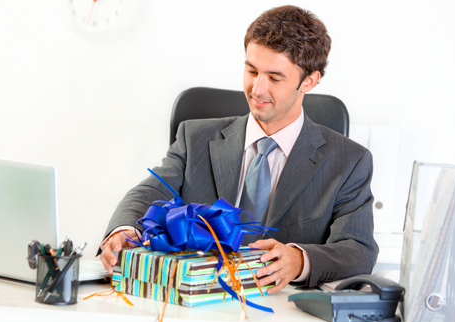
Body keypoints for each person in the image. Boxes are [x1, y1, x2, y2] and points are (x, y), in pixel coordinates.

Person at [98, 5, 378, 293]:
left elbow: (358, 249)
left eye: (274, 77)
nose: (257, 89)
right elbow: (148, 192)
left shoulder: (349, 162)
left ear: (309, 80)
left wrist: (299, 259)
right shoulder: (195, 138)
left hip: (281, 309)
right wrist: (123, 230)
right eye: (251, 70)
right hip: (197, 298)